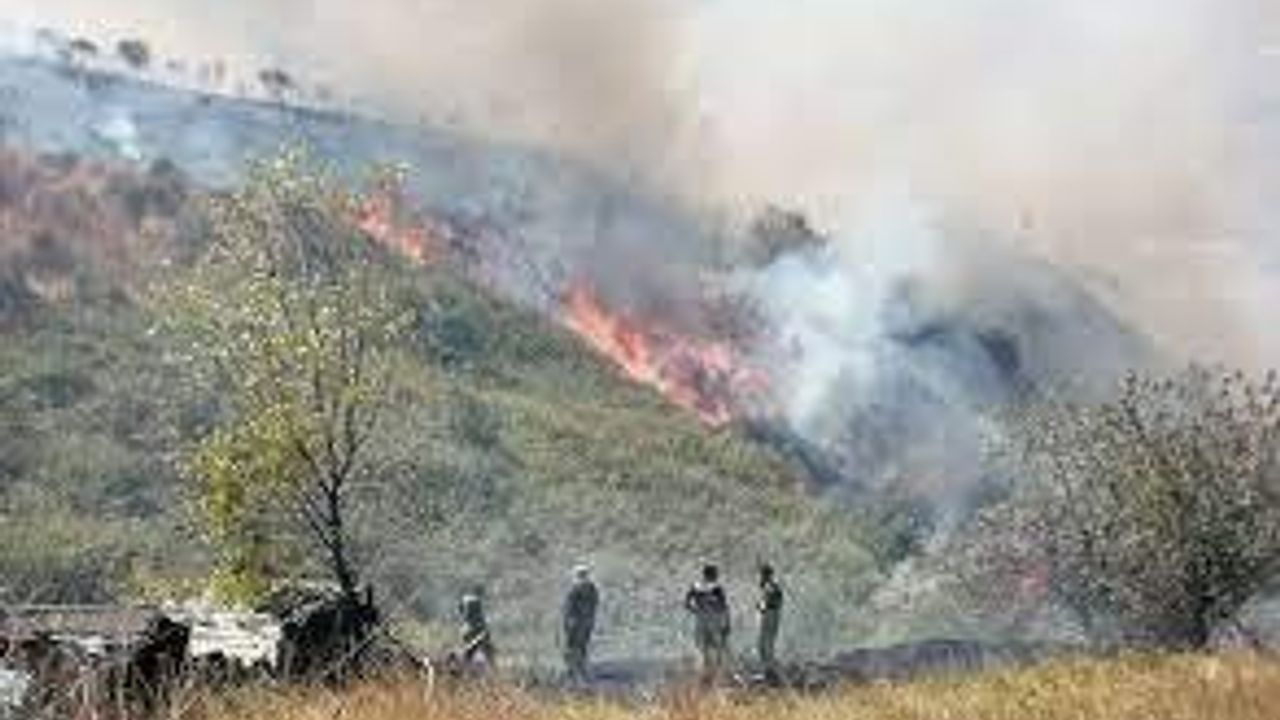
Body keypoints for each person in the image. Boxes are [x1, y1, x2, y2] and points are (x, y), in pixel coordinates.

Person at [684, 563, 730, 679]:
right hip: (714, 619)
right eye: (715, 574)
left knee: (702, 646)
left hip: (701, 618)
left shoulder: (696, 586)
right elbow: (724, 607)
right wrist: (727, 623)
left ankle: (704, 672)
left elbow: (687, 603)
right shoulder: (717, 587)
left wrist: (696, 610)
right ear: (713, 575)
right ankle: (715, 673)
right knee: (717, 646)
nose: (716, 576)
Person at [562, 564, 599, 683]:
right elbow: (569, 609)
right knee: (575, 645)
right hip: (579, 622)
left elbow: (593, 605)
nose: (582, 577)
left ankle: (578, 668)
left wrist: (587, 620)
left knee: (579, 645)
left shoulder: (587, 589)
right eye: (581, 575)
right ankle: (574, 669)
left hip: (581, 622)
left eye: (583, 574)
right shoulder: (585, 589)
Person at [756, 563, 784, 680]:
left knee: (765, 644)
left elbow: (772, 601)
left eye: (763, 574)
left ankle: (769, 671)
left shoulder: (770, 586)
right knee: (766, 644)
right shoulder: (771, 585)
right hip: (771, 615)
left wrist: (762, 606)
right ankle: (768, 670)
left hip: (770, 615)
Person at [458, 587, 495, 668]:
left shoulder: (466, 599)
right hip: (474, 628)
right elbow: (479, 617)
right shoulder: (477, 601)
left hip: (466, 628)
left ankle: (466, 663)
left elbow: (460, 610)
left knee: (469, 649)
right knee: (485, 646)